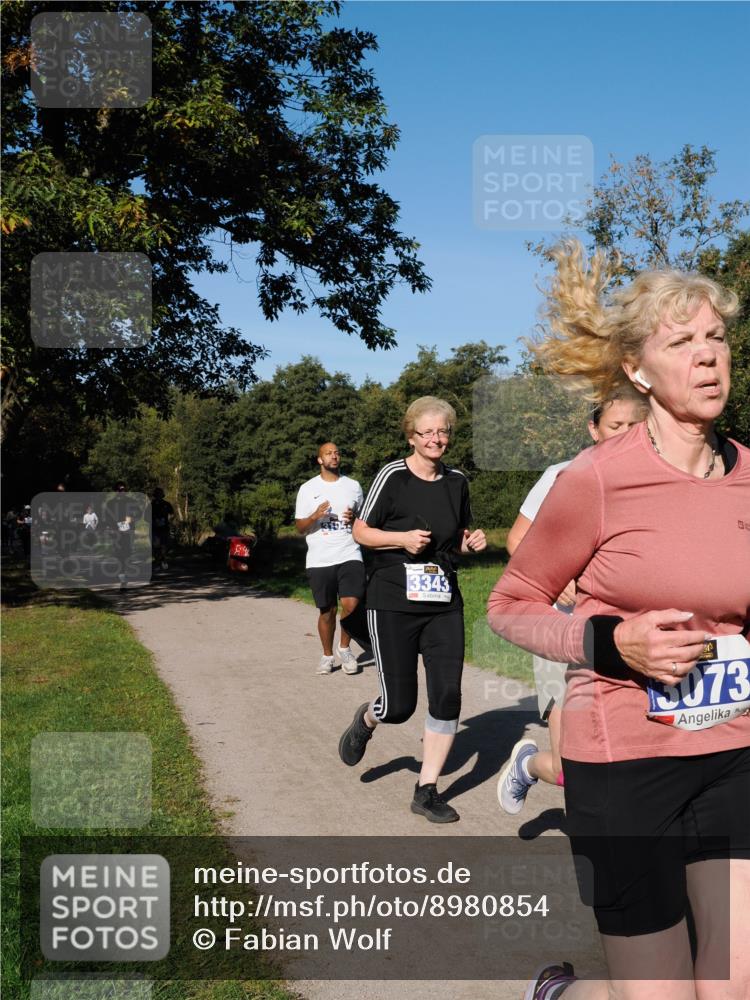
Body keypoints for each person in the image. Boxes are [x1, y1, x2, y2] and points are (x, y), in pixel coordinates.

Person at [487, 241, 749, 1000]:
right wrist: (610, 641)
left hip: (734, 752)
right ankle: (559, 994)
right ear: (638, 370)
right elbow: (510, 605)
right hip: (624, 763)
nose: (707, 358)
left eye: (717, 338)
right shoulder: (596, 479)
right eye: (682, 343)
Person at [338, 396, 487, 823]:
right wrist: (400, 540)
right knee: (399, 705)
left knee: (447, 695)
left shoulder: (457, 481)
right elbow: (361, 531)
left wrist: (470, 543)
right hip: (391, 602)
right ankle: (367, 719)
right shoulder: (392, 476)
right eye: (428, 432)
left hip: (443, 603)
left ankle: (427, 790)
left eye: (443, 431)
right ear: (412, 436)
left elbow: (454, 538)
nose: (437, 439)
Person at [498, 390, 646, 814]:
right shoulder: (563, 475)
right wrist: (556, 576)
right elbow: (516, 540)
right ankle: (529, 765)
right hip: (562, 631)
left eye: (635, 427)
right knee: (569, 770)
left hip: (625, 635)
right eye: (616, 427)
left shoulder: (651, 485)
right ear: (593, 430)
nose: (626, 436)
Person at [295, 443, 365, 675]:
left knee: (352, 605)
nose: (334, 456)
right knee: (327, 610)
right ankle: (327, 655)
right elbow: (299, 528)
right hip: (319, 558)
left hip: (349, 552)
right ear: (319, 460)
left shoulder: (353, 486)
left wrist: (354, 517)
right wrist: (315, 515)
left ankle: (344, 648)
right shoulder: (308, 488)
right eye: (328, 453)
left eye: (337, 452)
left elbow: (364, 521)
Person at [149, 487, 174, 571]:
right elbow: (145, 517)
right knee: (156, 546)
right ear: (155, 495)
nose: (158, 496)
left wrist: (169, 520)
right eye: (157, 494)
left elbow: (172, 514)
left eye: (160, 494)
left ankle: (163, 559)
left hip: (165, 528)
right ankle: (157, 562)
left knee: (165, 545)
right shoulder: (151, 505)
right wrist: (154, 521)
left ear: (162, 495)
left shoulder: (167, 504)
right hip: (155, 529)